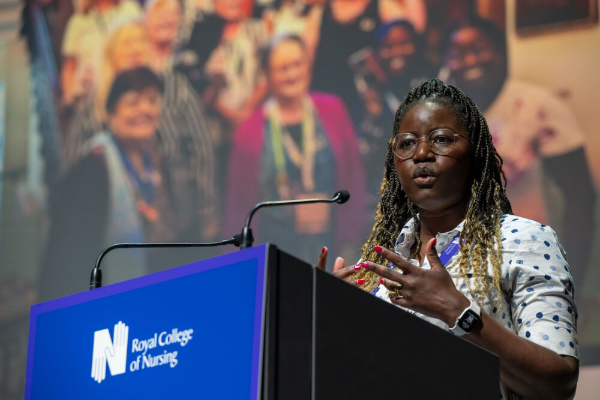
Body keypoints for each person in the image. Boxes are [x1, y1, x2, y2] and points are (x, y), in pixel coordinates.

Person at [317, 79, 579, 399]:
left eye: (441, 139)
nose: (422, 153)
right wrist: (328, 323)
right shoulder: (373, 269)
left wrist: (458, 311)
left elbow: (558, 384)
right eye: (407, 143)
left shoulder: (523, 241)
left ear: (476, 154)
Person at [441, 17, 595, 292]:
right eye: (457, 53)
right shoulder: (443, 116)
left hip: (530, 266)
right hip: (463, 274)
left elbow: (580, 197)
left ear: (501, 52)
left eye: (479, 48)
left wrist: (571, 282)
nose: (469, 60)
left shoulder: (537, 107)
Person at [64, 21, 216, 241]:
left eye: (142, 42)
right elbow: (74, 165)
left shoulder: (175, 88)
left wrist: (207, 212)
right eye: (127, 43)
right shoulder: (94, 106)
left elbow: (201, 151)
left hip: (177, 218)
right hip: (112, 227)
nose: (136, 49)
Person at [225, 34, 367, 263]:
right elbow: (239, 205)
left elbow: (354, 177)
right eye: (282, 68)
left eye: (297, 64)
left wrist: (353, 239)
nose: (292, 74)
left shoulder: (334, 110)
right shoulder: (248, 131)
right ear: (268, 75)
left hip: (333, 248)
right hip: (274, 254)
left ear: (308, 66)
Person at [39, 67, 174, 301]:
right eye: (132, 102)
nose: (144, 109)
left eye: (152, 100)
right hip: (100, 296)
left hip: (151, 290)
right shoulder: (95, 165)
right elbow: (71, 250)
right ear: (111, 112)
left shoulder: (157, 158)